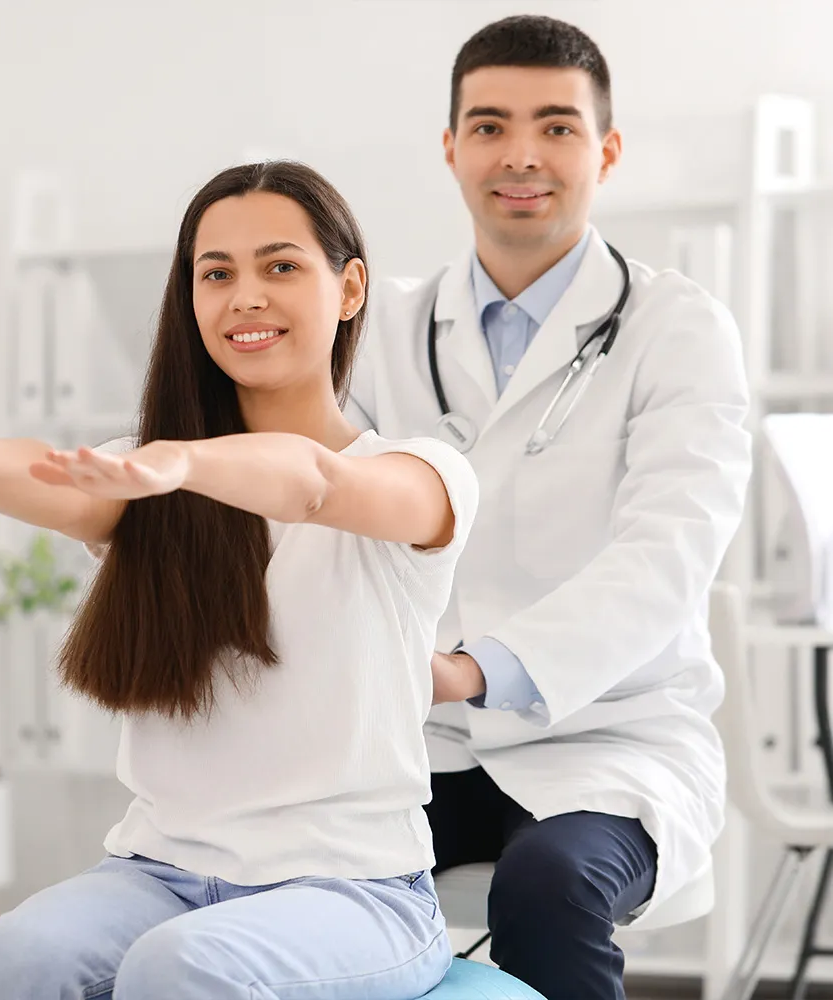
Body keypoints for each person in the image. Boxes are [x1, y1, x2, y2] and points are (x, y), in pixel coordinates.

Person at [0, 161, 479, 1000]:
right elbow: (49, 474)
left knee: (178, 968)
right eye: (217, 274)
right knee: (9, 962)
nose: (244, 296)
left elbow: (315, 481)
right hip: (158, 874)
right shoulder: (152, 481)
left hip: (356, 891)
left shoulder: (422, 475)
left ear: (350, 287)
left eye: (280, 266)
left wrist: (176, 462)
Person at [345, 14, 753, 1000]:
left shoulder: (678, 329)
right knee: (314, 872)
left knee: (547, 883)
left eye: (557, 128)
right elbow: (313, 506)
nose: (520, 154)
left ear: (605, 151)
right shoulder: (381, 327)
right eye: (488, 126)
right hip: (422, 741)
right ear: (450, 149)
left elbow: (664, 560)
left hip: (611, 737)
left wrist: (471, 668)